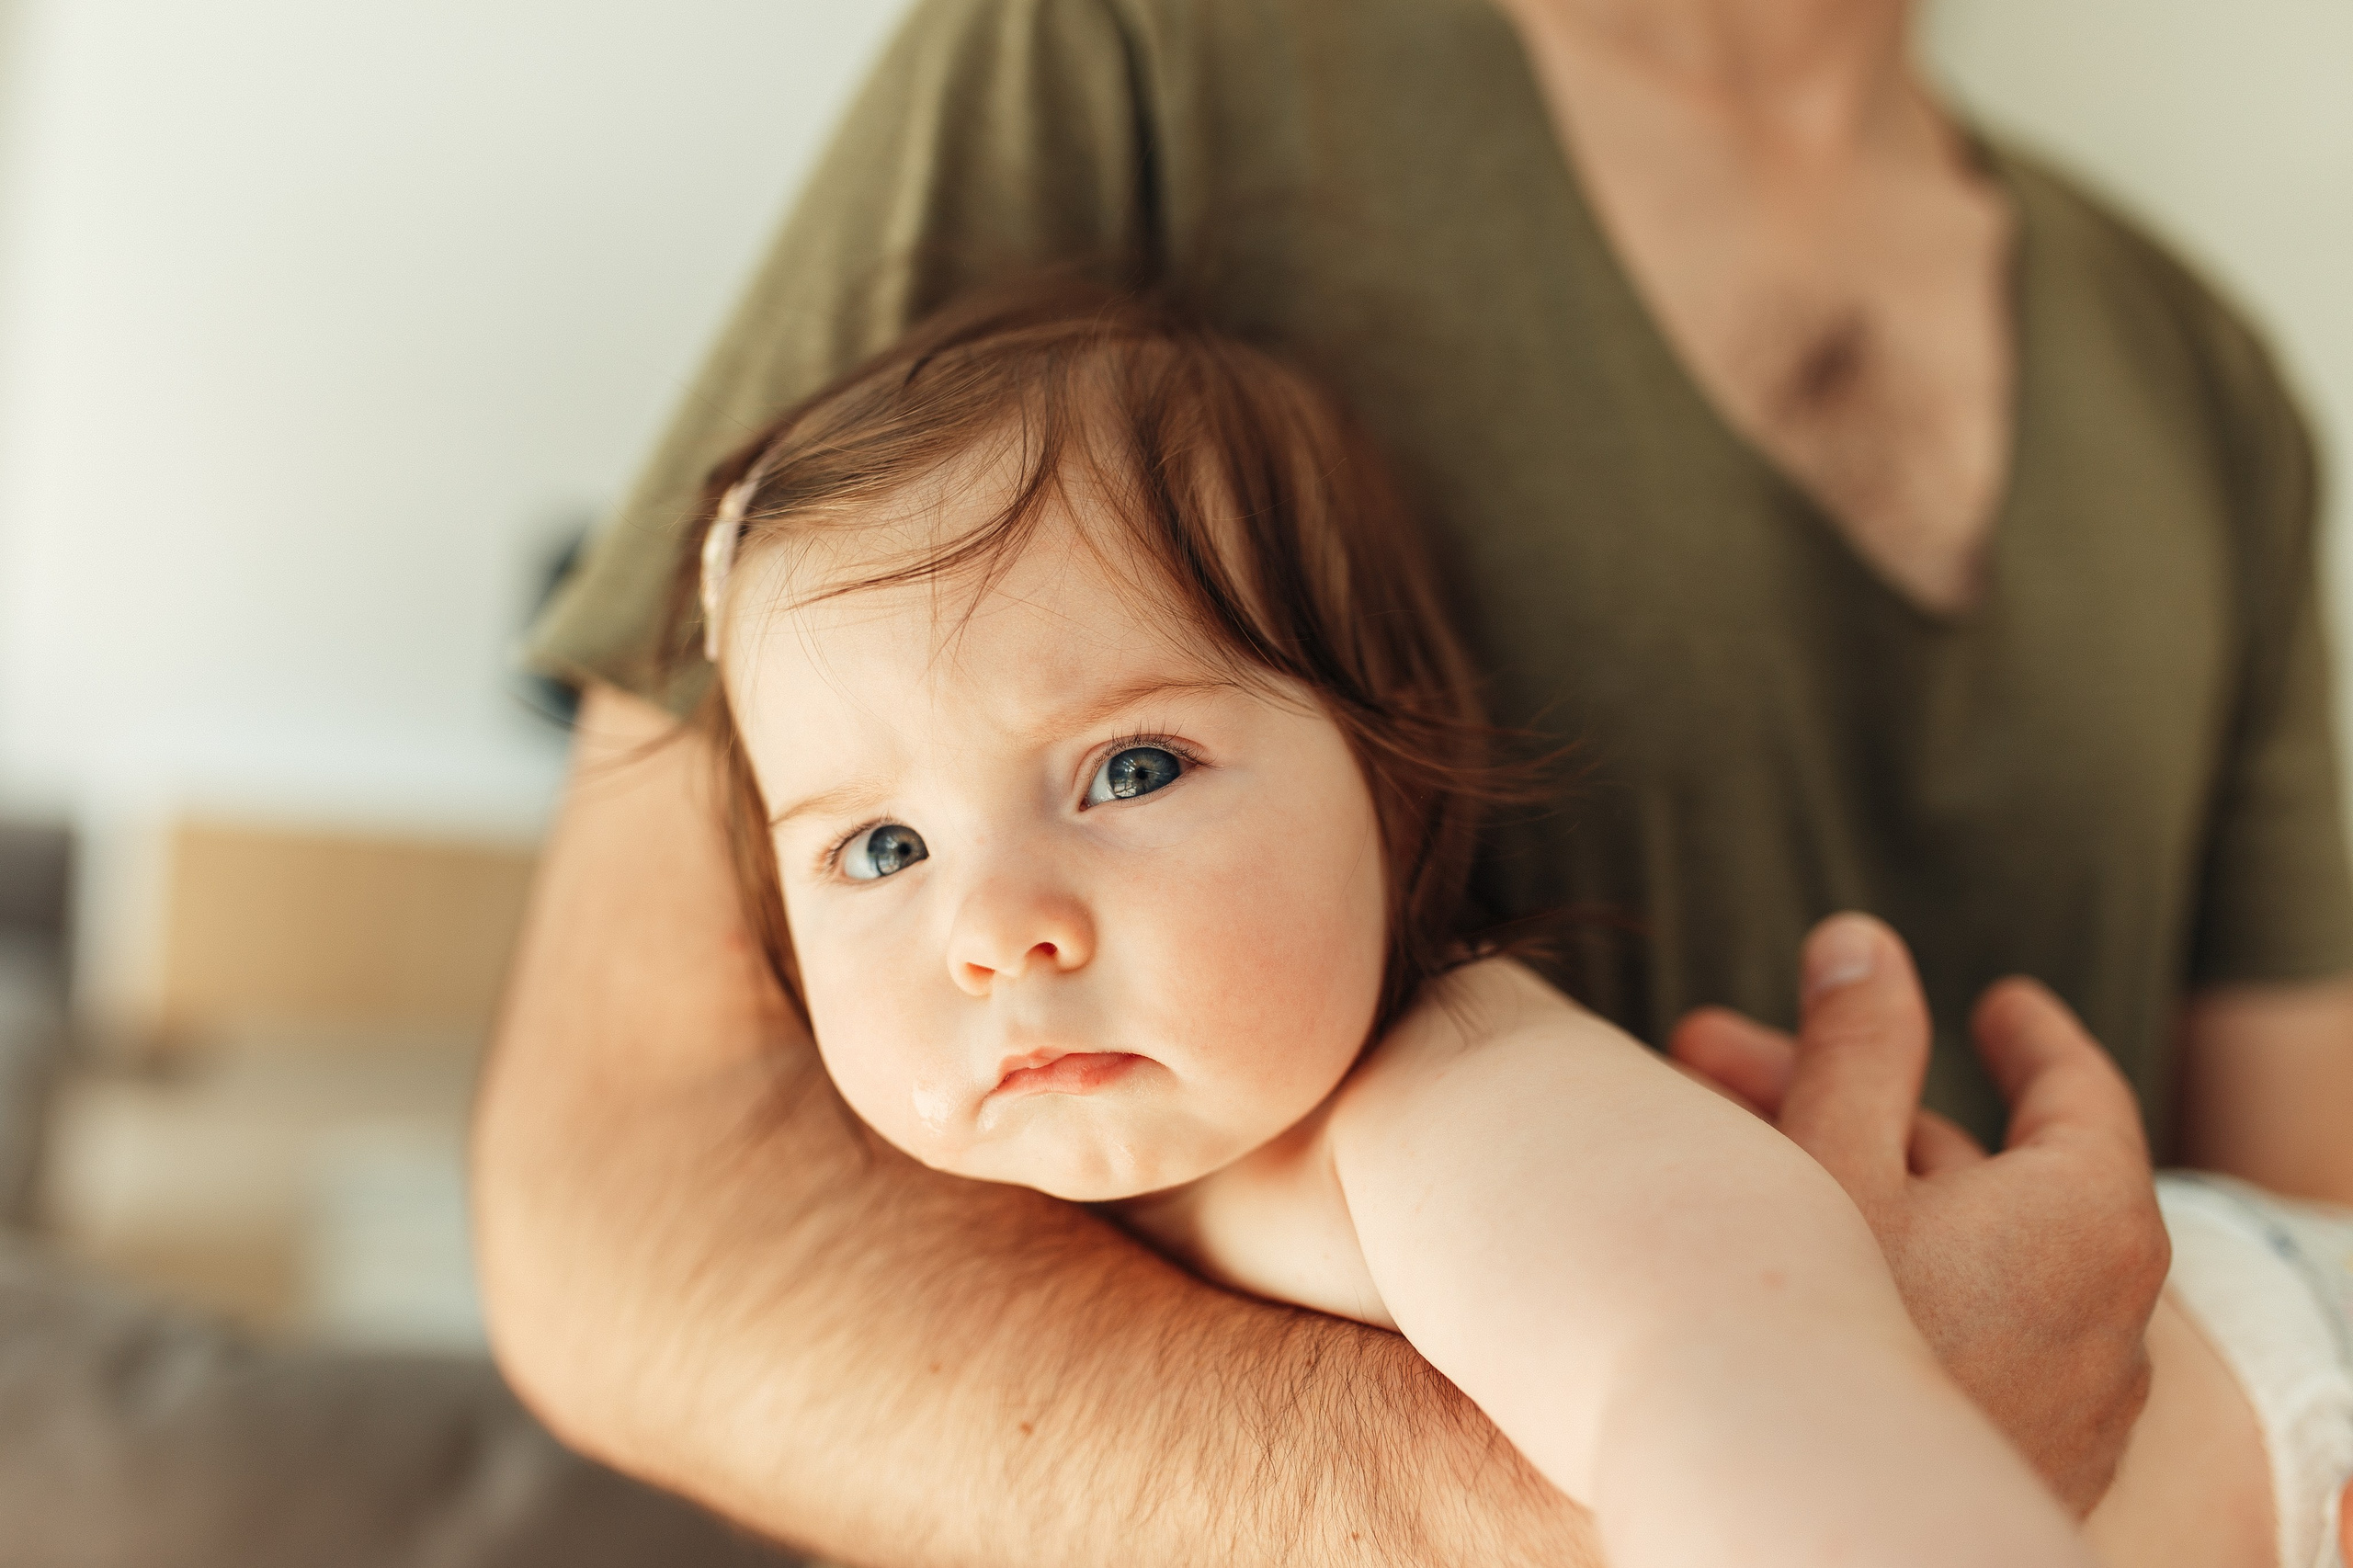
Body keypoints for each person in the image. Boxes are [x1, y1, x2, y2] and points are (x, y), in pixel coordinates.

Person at [474, 0, 2349, 1560]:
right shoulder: (1136, 51)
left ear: (1392, 789)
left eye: (1130, 767)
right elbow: (621, 1202)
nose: (992, 927)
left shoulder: (2198, 382)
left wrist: (1829, 1405)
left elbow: (1745, 1360)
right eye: (876, 846)